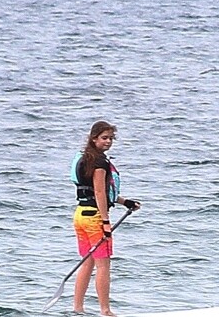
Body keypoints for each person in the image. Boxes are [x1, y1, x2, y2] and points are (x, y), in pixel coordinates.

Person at [71, 121, 141, 316]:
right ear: (94, 138)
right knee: (103, 265)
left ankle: (77, 308)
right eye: (104, 138)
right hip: (94, 219)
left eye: (111, 138)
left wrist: (125, 202)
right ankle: (106, 310)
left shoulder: (85, 157)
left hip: (80, 215)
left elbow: (94, 191)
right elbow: (100, 192)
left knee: (87, 262)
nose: (108, 142)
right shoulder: (100, 162)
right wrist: (105, 221)